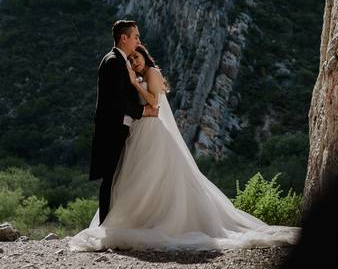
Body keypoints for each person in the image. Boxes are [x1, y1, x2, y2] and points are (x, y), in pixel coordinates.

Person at [71, 35, 300, 251]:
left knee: (155, 175)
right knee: (139, 176)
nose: (134, 61)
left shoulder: (152, 72)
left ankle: (159, 219)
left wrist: (135, 82)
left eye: (137, 57)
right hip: (139, 131)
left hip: (153, 131)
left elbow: (154, 102)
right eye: (131, 59)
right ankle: (138, 217)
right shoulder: (139, 75)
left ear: (145, 56)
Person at [88, 20, 159, 225]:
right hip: (112, 129)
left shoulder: (121, 61)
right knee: (110, 179)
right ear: (124, 37)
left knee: (116, 178)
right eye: (135, 36)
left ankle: (113, 224)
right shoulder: (113, 61)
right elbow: (116, 100)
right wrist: (143, 111)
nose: (138, 40)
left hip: (120, 128)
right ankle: (105, 227)